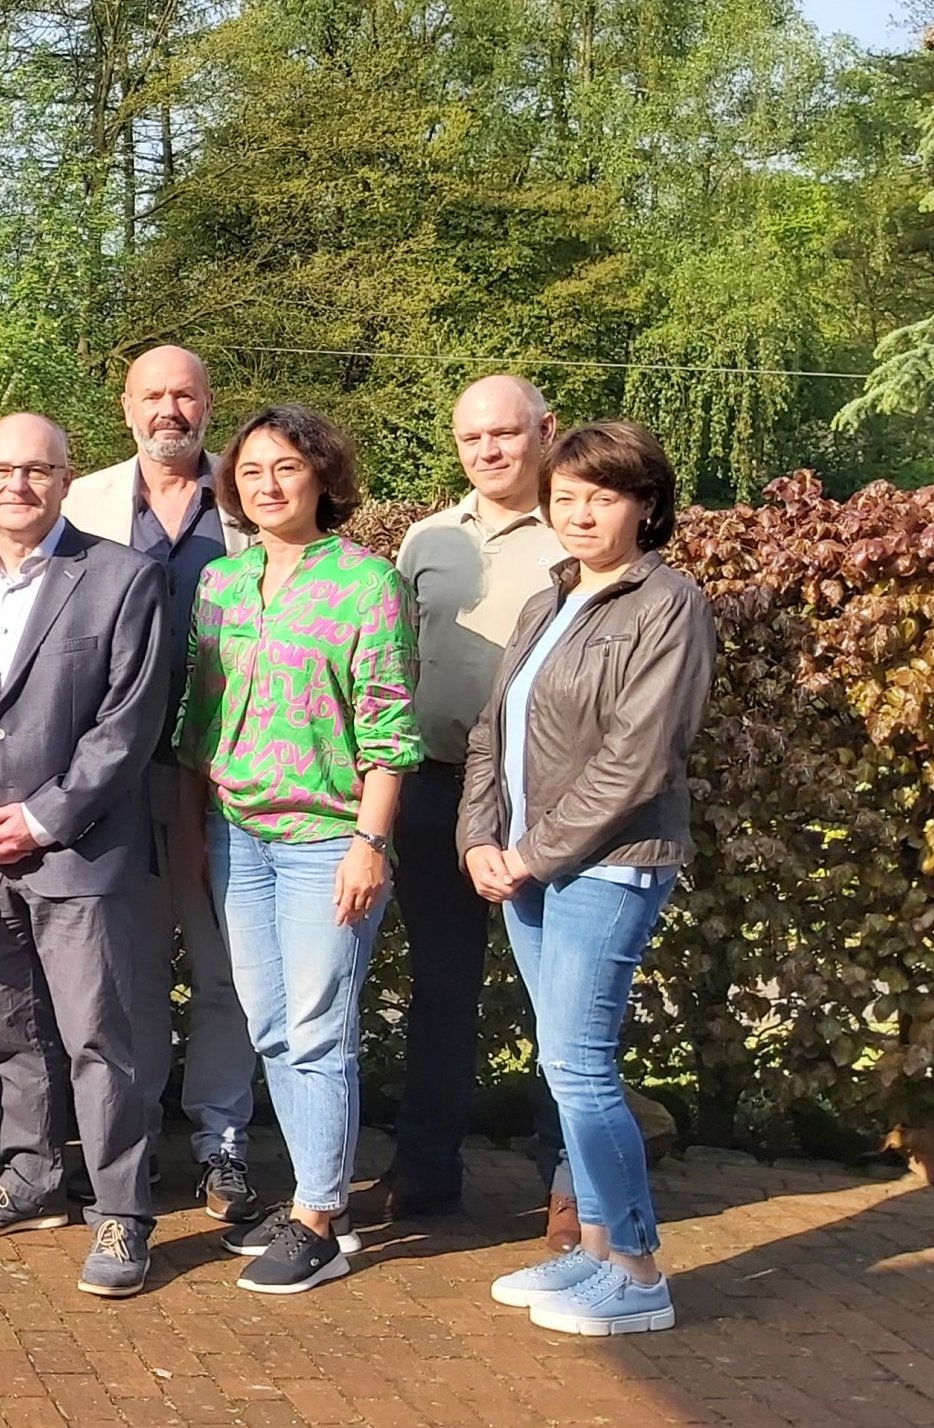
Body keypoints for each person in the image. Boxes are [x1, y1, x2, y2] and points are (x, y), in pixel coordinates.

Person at [0, 415, 173, 1298]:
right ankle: (31, 1176)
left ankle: (122, 1214)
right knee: (11, 1032)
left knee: (102, 1036)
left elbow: (126, 728)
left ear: (66, 479)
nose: (15, 486)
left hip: (80, 853)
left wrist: (40, 817)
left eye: (36, 470)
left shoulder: (121, 578)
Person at [465, 420, 711, 1337]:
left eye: (602, 497)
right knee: (566, 1065)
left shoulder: (667, 603)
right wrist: (480, 839)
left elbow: (639, 758)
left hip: (607, 867)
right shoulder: (548, 599)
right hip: (525, 866)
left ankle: (639, 1270)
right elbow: (492, 732)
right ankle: (595, 1251)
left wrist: (533, 851)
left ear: (646, 506)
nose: (579, 513)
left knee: (580, 1065)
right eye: (564, 496)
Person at [179, 404, 420, 1294]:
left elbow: (392, 728)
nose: (267, 485)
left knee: (320, 1028)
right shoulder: (222, 584)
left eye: (285, 468)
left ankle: (318, 1217)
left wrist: (369, 842)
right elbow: (195, 717)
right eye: (250, 472)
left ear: (322, 476)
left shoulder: (368, 585)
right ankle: (316, 1196)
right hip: (237, 834)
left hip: (329, 840)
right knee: (270, 1023)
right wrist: (188, 829)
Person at [64, 344, 260, 1223]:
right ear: (126, 405)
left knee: (228, 969)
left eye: (184, 394)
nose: (168, 410)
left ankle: (222, 1141)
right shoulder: (83, 504)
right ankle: (128, 1139)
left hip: (230, 777)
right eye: (153, 395)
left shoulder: (253, 497)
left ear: (209, 405)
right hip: (119, 780)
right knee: (128, 971)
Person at [381, 374, 567, 1229]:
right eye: (471, 439)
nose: (488, 452)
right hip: (436, 789)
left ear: (544, 431)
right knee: (440, 988)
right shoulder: (425, 539)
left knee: (559, 995)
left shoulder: (578, 529)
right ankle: (427, 1168)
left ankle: (568, 1178)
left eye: (505, 434)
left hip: (544, 801)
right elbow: (395, 663)